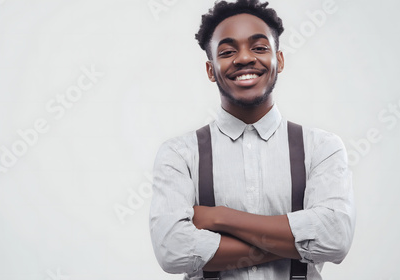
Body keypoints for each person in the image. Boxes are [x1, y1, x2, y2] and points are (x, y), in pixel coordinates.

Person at [149, 0, 355, 279]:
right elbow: (172, 251)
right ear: (211, 70)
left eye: (259, 48)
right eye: (227, 51)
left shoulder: (322, 148)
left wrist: (221, 217)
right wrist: (296, 243)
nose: (244, 58)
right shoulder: (180, 154)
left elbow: (336, 238)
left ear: (279, 60)